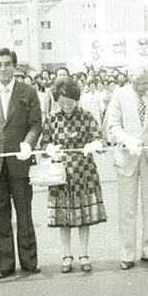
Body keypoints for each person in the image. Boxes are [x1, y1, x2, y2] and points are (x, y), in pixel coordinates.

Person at [0, 48, 43, 278]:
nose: (3, 68)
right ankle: (4, 264)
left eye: (7, 64)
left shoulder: (28, 91)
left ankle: (29, 261)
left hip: (20, 161)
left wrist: (28, 143)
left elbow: (35, 124)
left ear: (15, 66)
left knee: (24, 213)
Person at [105, 59, 148, 270]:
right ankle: (127, 253)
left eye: (145, 83)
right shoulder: (119, 94)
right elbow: (113, 125)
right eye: (137, 83)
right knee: (127, 208)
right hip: (128, 155)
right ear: (129, 79)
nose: (142, 87)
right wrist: (128, 140)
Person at [40, 78, 107, 273]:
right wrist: (49, 148)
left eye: (69, 101)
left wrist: (94, 144)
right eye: (62, 102)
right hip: (60, 173)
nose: (66, 105)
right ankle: (66, 254)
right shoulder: (52, 119)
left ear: (77, 99)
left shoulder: (86, 117)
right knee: (64, 216)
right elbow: (43, 144)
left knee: (84, 216)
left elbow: (99, 138)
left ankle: (84, 254)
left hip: (84, 171)